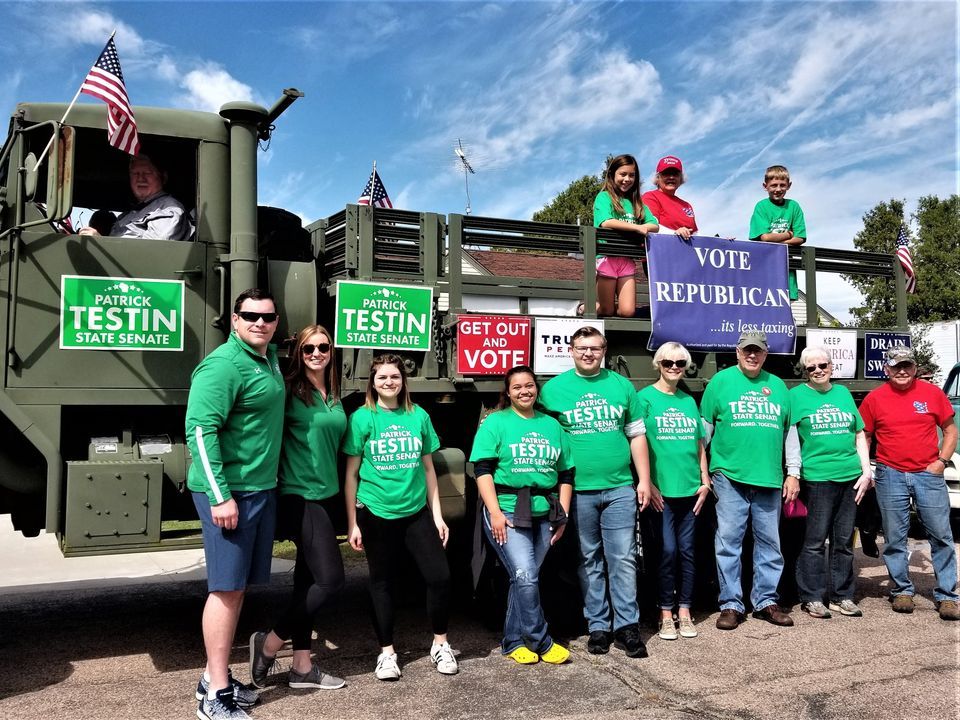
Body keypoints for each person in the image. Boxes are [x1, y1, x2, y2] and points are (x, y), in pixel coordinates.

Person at [185, 289, 285, 720]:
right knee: (225, 590)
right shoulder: (223, 366)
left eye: (267, 317)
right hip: (232, 494)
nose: (259, 323)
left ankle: (213, 677)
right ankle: (215, 696)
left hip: (260, 489)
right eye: (250, 316)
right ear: (234, 319)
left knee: (238, 587)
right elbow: (201, 431)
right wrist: (220, 495)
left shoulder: (269, 358)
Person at [539, 326, 655, 658]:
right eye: (581, 348)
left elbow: (636, 435)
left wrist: (643, 480)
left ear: (604, 350)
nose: (588, 353)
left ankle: (627, 627)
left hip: (619, 487)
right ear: (571, 350)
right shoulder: (554, 390)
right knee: (587, 560)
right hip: (577, 492)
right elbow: (543, 436)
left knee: (623, 558)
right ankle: (598, 627)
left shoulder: (621, 386)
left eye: (595, 348)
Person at [343, 354, 459, 680]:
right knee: (382, 582)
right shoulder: (362, 418)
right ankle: (387, 654)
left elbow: (428, 469)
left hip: (415, 512)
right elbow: (351, 474)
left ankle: (440, 644)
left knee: (440, 577)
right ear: (373, 382)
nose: (389, 382)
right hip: (375, 511)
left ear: (403, 381)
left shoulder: (418, 415)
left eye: (394, 377)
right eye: (382, 378)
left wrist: (437, 516)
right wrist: (352, 521)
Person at [248, 325, 346, 692]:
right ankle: (270, 643)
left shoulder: (335, 394)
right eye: (308, 349)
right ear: (298, 353)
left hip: (328, 493)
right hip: (299, 495)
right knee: (331, 580)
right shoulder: (289, 391)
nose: (316, 353)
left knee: (307, 581)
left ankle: (303, 667)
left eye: (323, 347)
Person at [471, 366, 574, 665]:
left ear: (536, 389)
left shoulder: (552, 426)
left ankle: (514, 641)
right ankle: (541, 640)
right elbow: (482, 471)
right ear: (508, 392)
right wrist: (495, 514)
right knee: (526, 575)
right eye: (517, 387)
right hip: (507, 509)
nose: (524, 391)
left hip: (544, 512)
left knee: (523, 578)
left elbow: (566, 473)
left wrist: (563, 514)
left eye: (529, 385)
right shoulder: (496, 423)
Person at [700, 330, 796, 630]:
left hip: (768, 477)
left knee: (770, 544)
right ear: (737, 353)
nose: (752, 355)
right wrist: (703, 472)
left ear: (766, 354)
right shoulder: (720, 382)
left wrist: (793, 472)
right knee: (729, 542)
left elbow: (789, 433)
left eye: (758, 351)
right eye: (746, 351)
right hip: (729, 476)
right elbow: (704, 431)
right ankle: (731, 603)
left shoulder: (778, 386)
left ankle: (766, 601)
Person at [859, 345, 960, 621]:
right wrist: (867, 468)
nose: (902, 371)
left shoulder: (932, 394)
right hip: (890, 474)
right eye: (896, 366)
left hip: (928, 474)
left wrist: (941, 461)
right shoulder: (874, 399)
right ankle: (902, 590)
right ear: (886, 370)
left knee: (941, 536)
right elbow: (865, 437)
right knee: (894, 538)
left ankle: (947, 596)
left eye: (907, 366)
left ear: (915, 368)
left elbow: (951, 431)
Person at [786, 347, 873, 619]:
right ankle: (812, 597)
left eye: (822, 365)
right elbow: (790, 439)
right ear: (805, 371)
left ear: (832, 366)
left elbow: (859, 433)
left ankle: (841, 596)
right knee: (813, 541)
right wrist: (795, 473)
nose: (818, 371)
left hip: (850, 477)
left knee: (844, 541)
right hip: (818, 478)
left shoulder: (843, 394)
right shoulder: (796, 396)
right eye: (811, 368)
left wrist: (866, 470)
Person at [637, 342, 711, 640]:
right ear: (658, 364)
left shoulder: (688, 401)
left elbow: (698, 443)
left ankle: (685, 610)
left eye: (680, 363)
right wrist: (648, 482)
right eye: (668, 362)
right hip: (661, 494)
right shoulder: (644, 399)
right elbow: (637, 443)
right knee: (666, 552)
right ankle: (665, 612)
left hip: (691, 490)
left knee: (689, 552)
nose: (674, 368)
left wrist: (705, 480)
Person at [593, 154, 659, 317]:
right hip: (607, 258)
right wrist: (636, 228)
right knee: (606, 310)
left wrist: (644, 226)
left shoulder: (636, 202)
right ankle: (584, 307)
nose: (627, 179)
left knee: (628, 311)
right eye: (623, 174)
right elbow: (606, 222)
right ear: (612, 175)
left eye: (631, 175)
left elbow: (654, 225)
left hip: (627, 261)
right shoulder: (604, 197)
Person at [79, 154, 193, 240]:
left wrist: (101, 243)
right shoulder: (128, 215)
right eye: (135, 173)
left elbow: (152, 255)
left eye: (147, 173)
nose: (140, 178)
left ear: (163, 177)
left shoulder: (169, 210)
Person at [641, 156, 698, 241]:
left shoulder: (687, 205)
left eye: (675, 174)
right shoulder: (650, 197)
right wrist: (674, 233)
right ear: (658, 177)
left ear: (681, 178)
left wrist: (722, 242)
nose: (671, 177)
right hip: (662, 249)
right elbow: (651, 225)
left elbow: (696, 235)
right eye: (666, 174)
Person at [748, 165, 806, 246]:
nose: (778, 189)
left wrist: (780, 244)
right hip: (766, 255)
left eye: (782, 185)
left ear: (789, 186)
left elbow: (800, 238)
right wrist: (789, 234)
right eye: (774, 185)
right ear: (765, 186)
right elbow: (765, 238)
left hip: (787, 256)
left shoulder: (794, 206)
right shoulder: (761, 206)